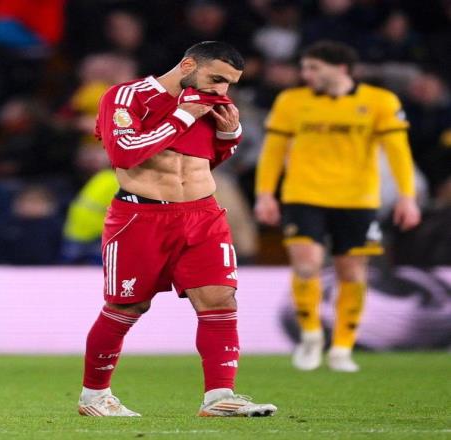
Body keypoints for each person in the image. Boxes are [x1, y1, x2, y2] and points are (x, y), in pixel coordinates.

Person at [78, 41, 277, 417]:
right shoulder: (126, 96)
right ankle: (95, 396)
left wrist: (229, 136)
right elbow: (125, 153)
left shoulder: (212, 102)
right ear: (188, 65)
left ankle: (219, 397)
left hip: (203, 215)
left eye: (230, 83)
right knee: (126, 306)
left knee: (220, 300)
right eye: (216, 78)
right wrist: (182, 116)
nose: (222, 90)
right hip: (140, 218)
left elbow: (206, 160)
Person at [254, 40, 421, 372]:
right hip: (303, 195)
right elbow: (273, 150)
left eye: (313, 68)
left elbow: (398, 151)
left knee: (353, 272)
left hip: (357, 199)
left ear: (341, 68)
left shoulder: (380, 101)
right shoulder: (291, 101)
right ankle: (311, 334)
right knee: (306, 265)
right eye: (304, 67)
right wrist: (265, 194)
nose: (305, 74)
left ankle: (343, 347)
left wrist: (407, 196)